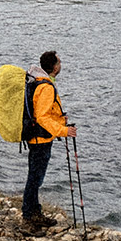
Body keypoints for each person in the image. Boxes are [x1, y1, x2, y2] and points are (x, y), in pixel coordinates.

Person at [21, 50, 74, 230]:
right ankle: (29, 217)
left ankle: (34, 212)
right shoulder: (46, 87)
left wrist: (60, 120)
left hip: (38, 138)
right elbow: (42, 117)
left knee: (35, 177)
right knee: (35, 179)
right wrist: (64, 131)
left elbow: (47, 112)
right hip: (40, 140)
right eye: (59, 62)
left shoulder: (41, 82)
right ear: (54, 67)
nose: (61, 65)